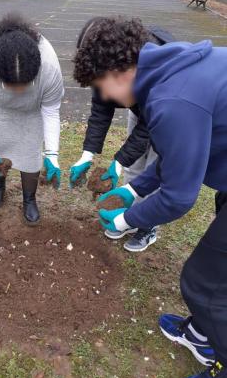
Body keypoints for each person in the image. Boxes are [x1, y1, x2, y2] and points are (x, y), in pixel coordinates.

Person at [76, 16, 227, 378]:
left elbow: (179, 197)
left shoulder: (172, 100)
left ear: (117, 72)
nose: (104, 96)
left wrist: (126, 220)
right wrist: (131, 188)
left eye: (100, 87)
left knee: (203, 282)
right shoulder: (168, 70)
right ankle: (203, 332)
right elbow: (175, 159)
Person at [71, 17, 174, 252]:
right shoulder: (105, 67)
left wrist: (116, 162)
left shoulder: (158, 75)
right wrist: (87, 155)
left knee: (154, 166)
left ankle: (148, 226)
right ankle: (129, 215)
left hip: (165, 114)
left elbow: (148, 128)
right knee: (134, 165)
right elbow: (100, 110)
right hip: (141, 108)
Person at [0, 13, 64, 225]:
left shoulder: (49, 67)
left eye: (24, 86)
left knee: (31, 154)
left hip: (32, 113)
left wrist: (52, 154)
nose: (19, 91)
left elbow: (50, 112)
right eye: (13, 86)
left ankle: (29, 199)